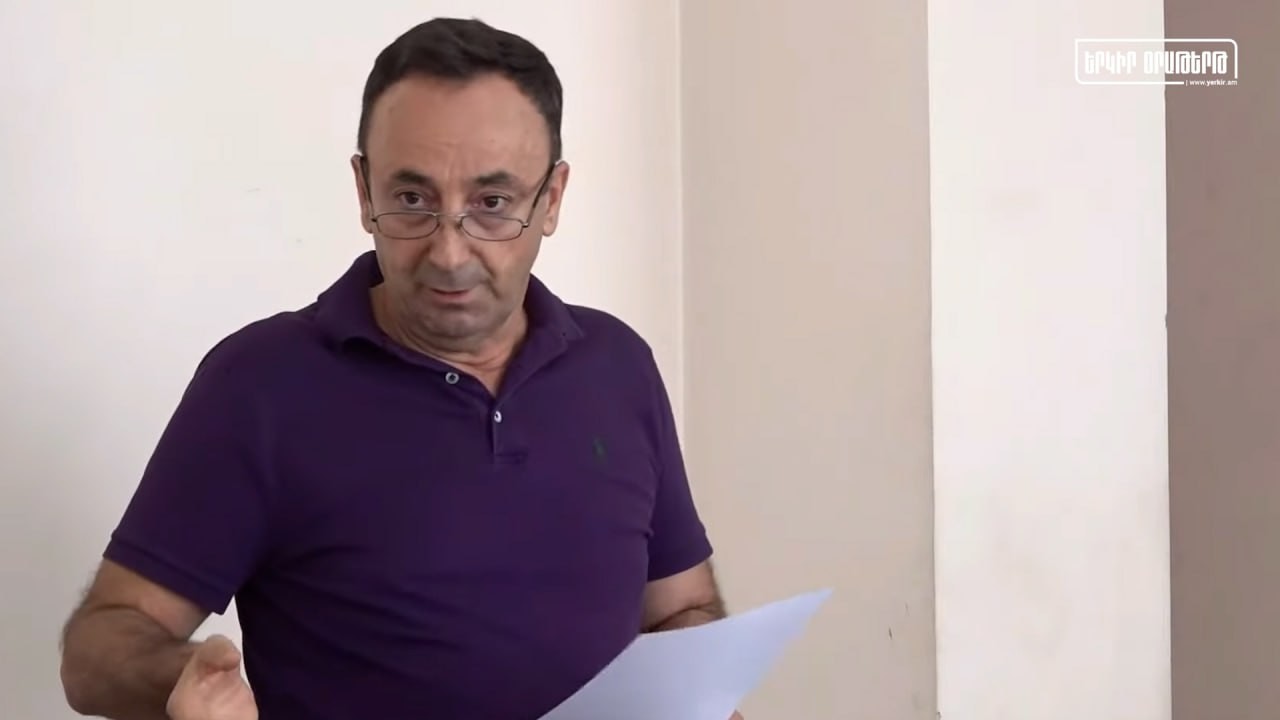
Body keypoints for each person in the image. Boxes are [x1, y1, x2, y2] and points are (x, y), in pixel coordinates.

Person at [57, 16, 738, 720]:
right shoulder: (260, 386)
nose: (449, 252)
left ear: (552, 200)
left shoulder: (618, 366)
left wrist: (705, 694)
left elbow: (679, 608)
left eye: (492, 205)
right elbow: (98, 648)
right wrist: (180, 680)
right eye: (412, 201)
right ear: (364, 191)